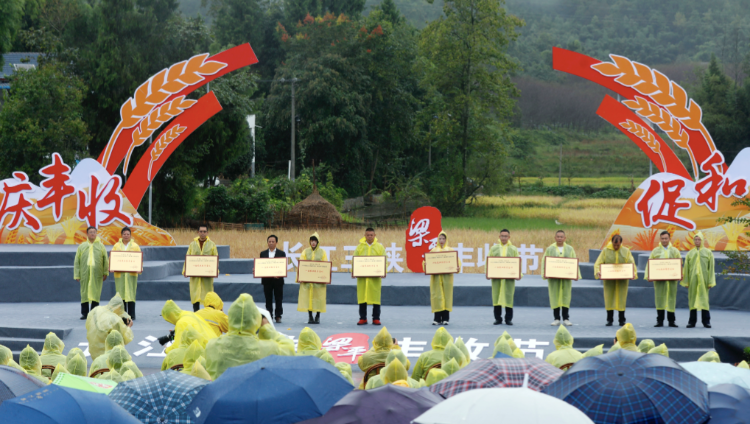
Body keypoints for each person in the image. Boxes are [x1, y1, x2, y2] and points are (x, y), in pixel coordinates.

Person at [204, 294, 295, 379]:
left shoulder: (212, 346)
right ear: (256, 320)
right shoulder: (268, 348)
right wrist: (267, 329)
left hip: (221, 394)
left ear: (231, 317)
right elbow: (289, 350)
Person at [541, 230, 581, 326]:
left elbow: (574, 262)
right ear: (555, 238)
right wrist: (544, 273)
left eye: (561, 237)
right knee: (555, 297)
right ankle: (556, 318)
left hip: (566, 279)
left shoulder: (569, 249)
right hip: (554, 279)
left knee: (566, 297)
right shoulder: (550, 249)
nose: (559, 238)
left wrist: (576, 275)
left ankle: (566, 318)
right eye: (558, 236)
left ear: (565, 238)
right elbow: (544, 261)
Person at [595, 235, 636, 326]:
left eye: (618, 245)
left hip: (622, 281)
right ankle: (609, 320)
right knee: (609, 298)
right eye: (614, 245)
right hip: (609, 281)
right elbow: (598, 263)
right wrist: (598, 271)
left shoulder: (626, 251)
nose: (616, 247)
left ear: (621, 243)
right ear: (611, 242)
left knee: (622, 299)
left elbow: (631, 262)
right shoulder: (605, 251)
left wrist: (633, 273)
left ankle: (622, 320)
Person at [423, 231, 461, 325]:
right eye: (440, 238)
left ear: (446, 239)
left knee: (446, 297)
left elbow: (457, 262)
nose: (441, 240)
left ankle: (445, 319)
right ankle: (437, 319)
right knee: (437, 297)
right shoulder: (433, 251)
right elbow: (425, 263)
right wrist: (426, 265)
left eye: (443, 238)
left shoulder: (450, 251)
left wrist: (457, 268)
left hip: (447, 278)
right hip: (436, 278)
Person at [645, 231, 682, 327]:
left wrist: (680, 274)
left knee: (671, 299)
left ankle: (671, 321)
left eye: (666, 238)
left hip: (671, 281)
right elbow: (649, 264)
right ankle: (660, 321)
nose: (664, 240)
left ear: (669, 239)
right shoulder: (655, 251)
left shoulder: (675, 251)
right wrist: (648, 275)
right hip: (659, 281)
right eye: (662, 238)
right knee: (659, 299)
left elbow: (679, 264)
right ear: (660, 239)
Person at [681, 232, 716, 328]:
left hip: (704, 280)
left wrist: (710, 281)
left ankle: (706, 321)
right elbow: (686, 268)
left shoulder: (708, 253)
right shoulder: (690, 253)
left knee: (704, 300)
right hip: (693, 281)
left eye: (699, 239)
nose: (697, 241)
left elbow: (711, 268)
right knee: (692, 300)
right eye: (695, 240)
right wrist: (686, 281)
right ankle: (692, 321)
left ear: (702, 240)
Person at [74, 226, 109, 320]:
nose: (92, 234)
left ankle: (94, 313)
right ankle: (85, 313)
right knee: (84, 292)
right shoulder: (82, 246)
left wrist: (105, 272)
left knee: (96, 292)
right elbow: (77, 261)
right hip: (85, 273)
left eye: (94, 232)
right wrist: (77, 274)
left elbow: (106, 260)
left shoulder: (101, 246)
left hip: (97, 273)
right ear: (87, 234)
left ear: (96, 234)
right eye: (90, 232)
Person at [85, 294, 133, 360]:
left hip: (94, 353)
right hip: (109, 357)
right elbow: (125, 339)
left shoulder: (95, 310)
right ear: (119, 307)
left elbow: (88, 325)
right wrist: (128, 327)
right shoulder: (115, 320)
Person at [183, 225, 219, 312]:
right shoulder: (192, 244)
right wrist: (185, 270)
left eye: (204, 231)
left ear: (207, 233)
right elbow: (188, 257)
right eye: (201, 231)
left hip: (207, 275)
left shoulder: (212, 244)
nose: (202, 233)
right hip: (195, 274)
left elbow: (216, 258)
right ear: (198, 232)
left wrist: (216, 270)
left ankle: (209, 313)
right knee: (195, 294)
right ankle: (196, 313)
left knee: (208, 294)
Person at [488, 229, 520, 325]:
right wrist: (488, 273)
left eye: (506, 236)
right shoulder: (494, 249)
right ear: (499, 237)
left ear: (509, 237)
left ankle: (508, 319)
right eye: (502, 236)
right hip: (496, 278)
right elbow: (489, 262)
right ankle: (498, 318)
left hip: (509, 279)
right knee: (496, 297)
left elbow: (517, 263)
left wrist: (518, 274)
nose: (504, 238)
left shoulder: (513, 249)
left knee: (508, 297)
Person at [354, 228, 386, 326]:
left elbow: (385, 260)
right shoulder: (359, 247)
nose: (370, 237)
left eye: (371, 235)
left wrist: (383, 271)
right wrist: (354, 271)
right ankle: (363, 318)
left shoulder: (379, 247)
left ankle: (376, 318)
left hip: (374, 279)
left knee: (375, 298)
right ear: (365, 235)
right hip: (363, 279)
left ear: (375, 235)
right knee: (362, 298)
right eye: (368, 235)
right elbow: (354, 261)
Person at [296, 232, 328, 324]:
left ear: (318, 242)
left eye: (315, 241)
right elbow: (301, 264)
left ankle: (318, 316)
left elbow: (325, 265)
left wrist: (324, 277)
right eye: (312, 241)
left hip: (318, 281)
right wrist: (300, 277)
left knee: (319, 298)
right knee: (308, 298)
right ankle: (310, 316)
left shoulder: (322, 252)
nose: (313, 243)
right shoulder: (305, 252)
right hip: (308, 280)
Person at [112, 227, 141, 320]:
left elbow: (139, 259)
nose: (126, 235)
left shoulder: (135, 246)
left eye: (128, 234)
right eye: (124, 234)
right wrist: (111, 266)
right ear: (121, 235)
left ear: (130, 235)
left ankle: (132, 315)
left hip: (130, 274)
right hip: (120, 275)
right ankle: (122, 314)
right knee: (121, 294)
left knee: (131, 294)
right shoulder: (116, 246)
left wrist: (139, 268)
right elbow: (112, 258)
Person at [260, 235, 286, 323]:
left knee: (278, 298)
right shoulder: (262, 253)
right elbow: (261, 266)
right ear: (267, 243)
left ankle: (278, 315)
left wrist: (279, 274)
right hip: (267, 280)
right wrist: (257, 270)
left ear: (276, 243)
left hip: (278, 280)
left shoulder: (281, 253)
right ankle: (269, 315)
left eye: (273, 241)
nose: (271, 243)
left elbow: (283, 267)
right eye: (269, 241)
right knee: (268, 298)